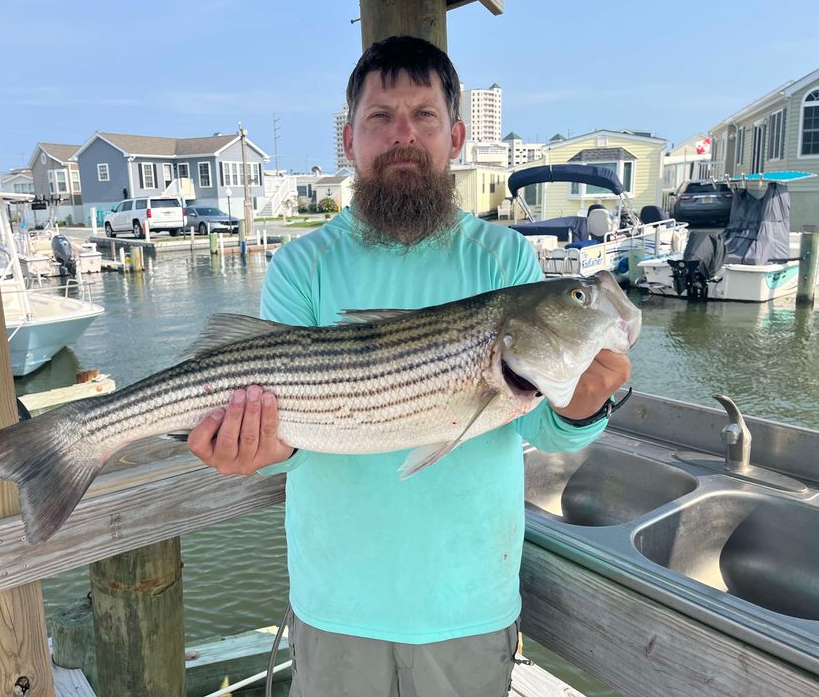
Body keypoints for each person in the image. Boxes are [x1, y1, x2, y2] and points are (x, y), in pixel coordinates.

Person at [188, 35, 631, 696]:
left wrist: (585, 401)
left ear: (456, 137)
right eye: (380, 117)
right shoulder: (302, 265)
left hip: (469, 600)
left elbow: (542, 429)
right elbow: (289, 441)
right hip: (335, 601)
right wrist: (252, 448)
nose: (403, 134)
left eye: (424, 115)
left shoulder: (505, 260)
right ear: (349, 140)